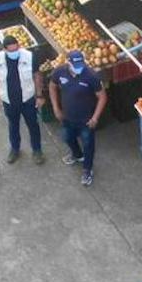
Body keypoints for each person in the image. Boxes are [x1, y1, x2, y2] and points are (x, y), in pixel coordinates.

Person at [48, 49, 105, 186]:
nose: (78, 69)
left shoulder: (91, 76)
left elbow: (102, 97)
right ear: (68, 63)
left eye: (80, 65)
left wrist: (95, 118)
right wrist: (56, 108)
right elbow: (52, 86)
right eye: (75, 65)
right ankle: (77, 155)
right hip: (67, 117)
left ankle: (87, 169)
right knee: (67, 138)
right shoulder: (59, 72)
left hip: (86, 119)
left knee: (88, 144)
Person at [0, 31, 44, 164]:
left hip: (27, 99)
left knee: (33, 125)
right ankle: (15, 149)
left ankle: (37, 150)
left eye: (16, 49)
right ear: (4, 49)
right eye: (11, 50)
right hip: (8, 100)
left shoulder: (29, 56)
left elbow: (37, 76)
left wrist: (39, 95)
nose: (14, 52)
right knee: (13, 125)